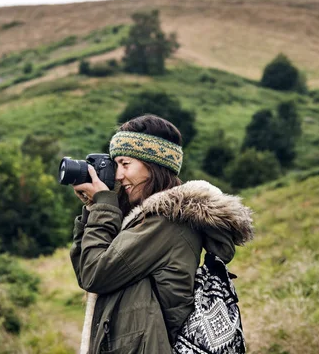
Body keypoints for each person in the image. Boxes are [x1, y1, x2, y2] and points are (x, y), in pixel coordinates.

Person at [70, 114, 253, 353]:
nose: (117, 176)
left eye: (126, 164)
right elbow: (87, 269)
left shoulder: (167, 222)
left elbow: (95, 274)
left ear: (155, 165)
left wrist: (103, 206)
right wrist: (94, 209)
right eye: (116, 165)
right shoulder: (142, 220)